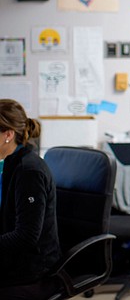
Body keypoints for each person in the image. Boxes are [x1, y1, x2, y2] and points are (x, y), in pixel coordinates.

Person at [0, 99, 61, 300]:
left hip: (33, 270)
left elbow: (26, 236)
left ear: (7, 135)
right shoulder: (9, 163)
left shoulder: (29, 171)